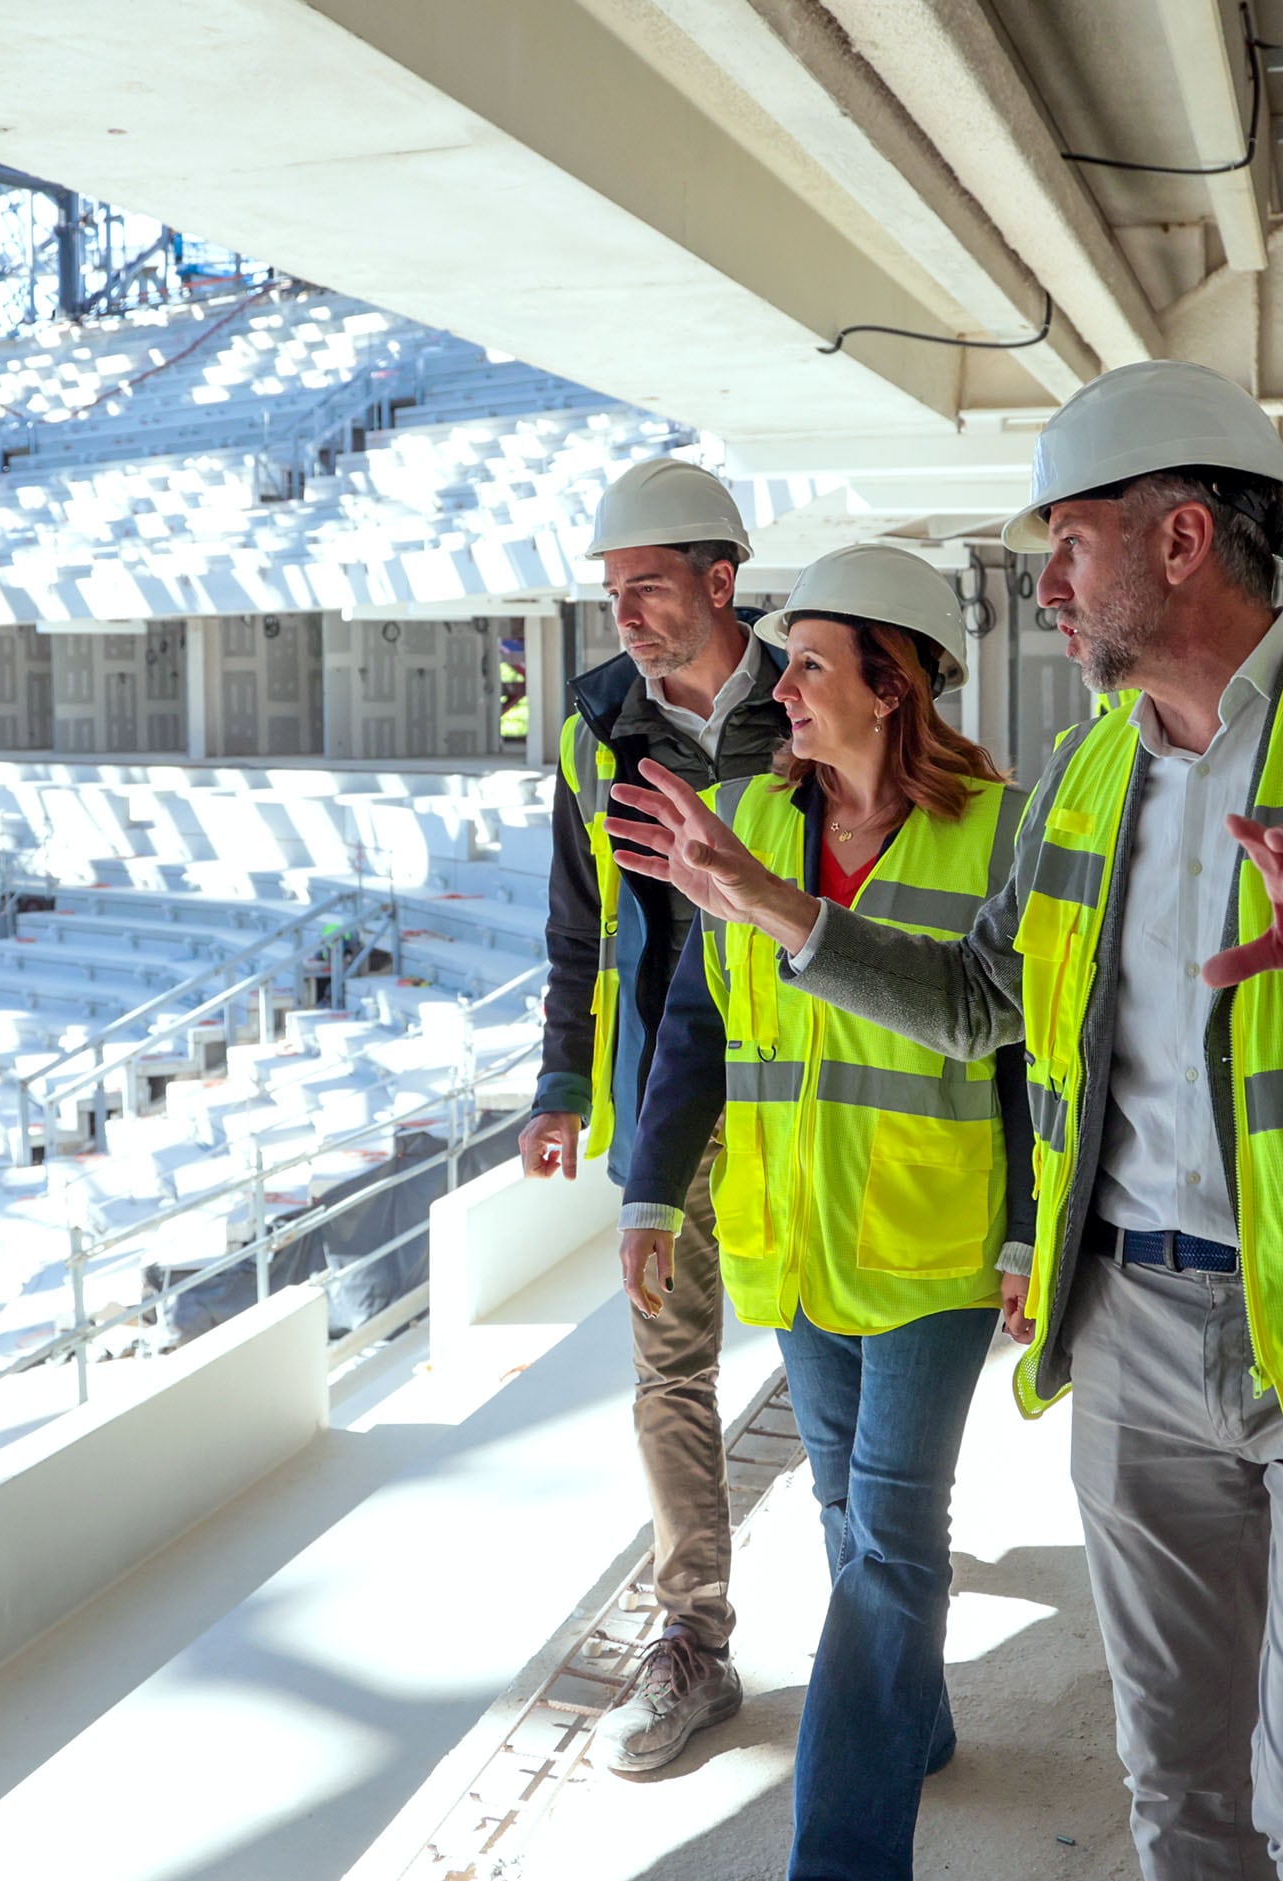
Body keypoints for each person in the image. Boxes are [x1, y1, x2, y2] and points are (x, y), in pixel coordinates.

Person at [604, 360, 1283, 1880]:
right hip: (1139, 1328)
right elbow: (974, 1004)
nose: (1049, 590)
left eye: (1067, 545)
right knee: (1178, 1795)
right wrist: (777, 909)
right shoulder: (1085, 774)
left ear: (1178, 541)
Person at [619, 544, 1028, 1878]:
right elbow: (694, 1021)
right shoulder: (745, 816)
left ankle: (842, 1858)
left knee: (894, 1535)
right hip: (791, 1245)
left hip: (931, 1247)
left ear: (892, 681)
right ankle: (914, 1719)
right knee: (852, 1522)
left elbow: (1030, 1050)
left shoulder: (999, 834)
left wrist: (1030, 1230)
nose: (779, 686)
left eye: (807, 663)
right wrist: (648, 1192)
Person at [518, 456, 788, 1773]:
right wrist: (564, 1081)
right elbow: (580, 922)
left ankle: (890, 1600)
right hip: (664, 1104)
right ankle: (695, 1635)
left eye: (646, 587)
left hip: (808, 1090)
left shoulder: (814, 700)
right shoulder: (591, 725)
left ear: (719, 581)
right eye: (609, 592)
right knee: (671, 1368)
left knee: (845, 1344)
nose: (622, 613)